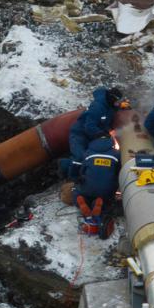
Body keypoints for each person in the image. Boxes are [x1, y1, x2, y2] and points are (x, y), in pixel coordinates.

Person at [58, 86, 127, 238]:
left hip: (88, 179)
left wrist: (78, 179)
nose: (118, 105)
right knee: (78, 158)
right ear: (111, 100)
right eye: (117, 102)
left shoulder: (91, 153)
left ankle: (79, 194)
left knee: (82, 165)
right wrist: (99, 133)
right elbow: (89, 126)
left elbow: (81, 168)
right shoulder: (97, 108)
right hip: (80, 136)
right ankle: (99, 201)